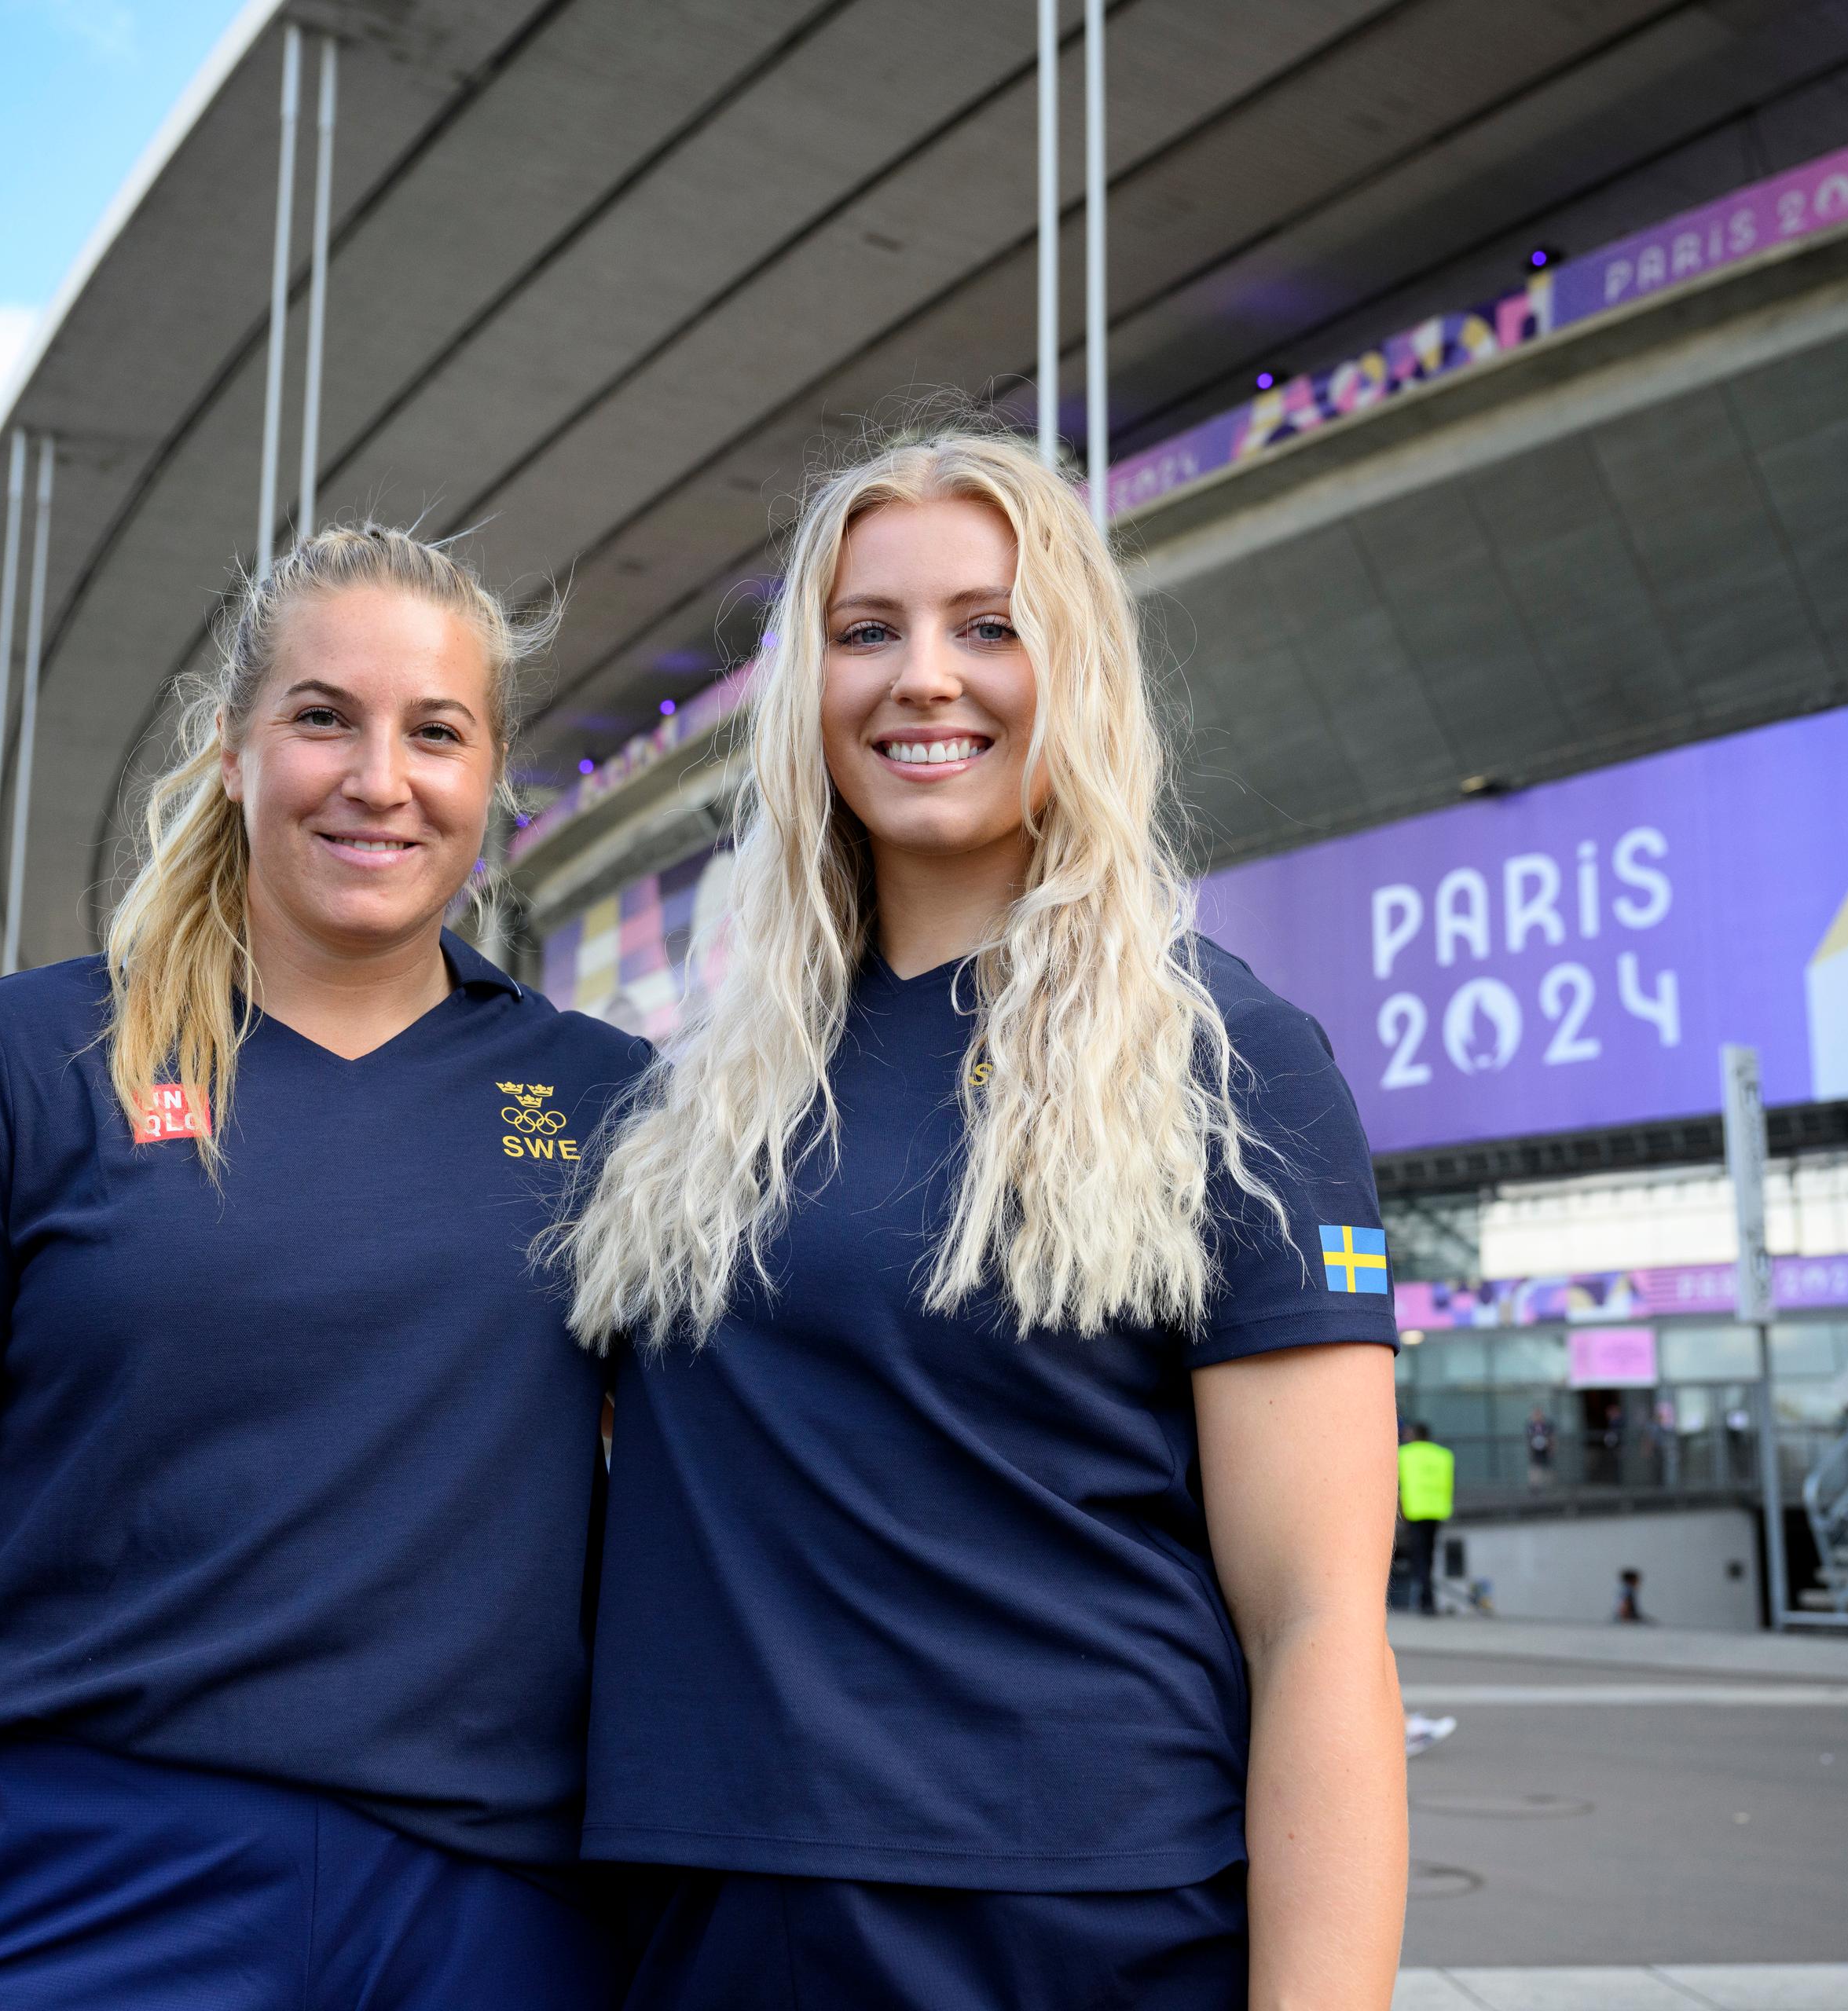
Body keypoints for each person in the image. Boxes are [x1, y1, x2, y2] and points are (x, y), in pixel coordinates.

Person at [0, 526, 645, 2011]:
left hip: (508, 1920)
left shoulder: (615, 1105)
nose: (378, 779)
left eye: (436, 733)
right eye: (322, 716)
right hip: (97, 1903)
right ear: (232, 748)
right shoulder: (15, 1069)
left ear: (492, 774)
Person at [559, 421, 1407, 2009]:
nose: (923, 677)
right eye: (866, 630)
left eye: (988, 624)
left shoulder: (1224, 1058)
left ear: (1074, 667)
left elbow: (1318, 1626)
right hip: (704, 1923)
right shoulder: (696, 1101)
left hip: (1073, 1932)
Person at [1398, 1420, 1454, 1616]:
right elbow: (1447, 1484)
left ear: (1415, 1435)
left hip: (1415, 1511)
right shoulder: (1444, 1456)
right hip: (1437, 1511)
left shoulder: (1404, 1454)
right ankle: (1426, 1600)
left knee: (1419, 1557)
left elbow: (1399, 1484)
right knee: (1429, 1557)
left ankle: (1427, 1601)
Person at [1525, 1401, 1557, 1489]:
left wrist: (1552, 1448)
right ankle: (1535, 1486)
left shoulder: (1548, 1424)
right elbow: (1529, 1438)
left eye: (1539, 1413)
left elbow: (1552, 1437)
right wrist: (1530, 1449)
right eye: (1535, 1413)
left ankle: (1550, 1486)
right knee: (1535, 1467)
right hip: (1535, 1450)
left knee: (1548, 1468)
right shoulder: (1530, 1425)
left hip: (1546, 1449)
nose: (1537, 1415)